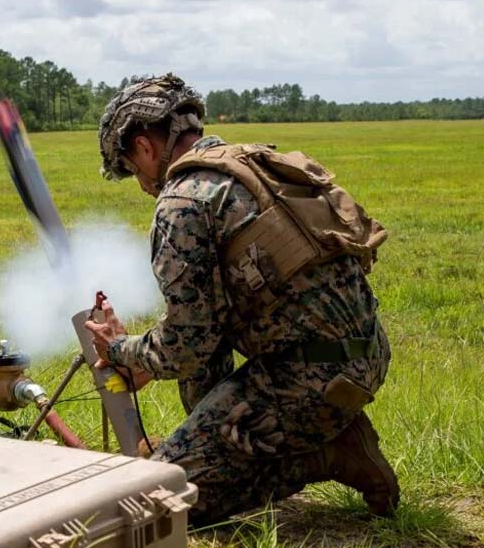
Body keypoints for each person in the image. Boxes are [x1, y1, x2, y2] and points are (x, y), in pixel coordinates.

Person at [85, 73, 399, 526]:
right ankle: (239, 449)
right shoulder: (250, 166)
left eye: (133, 169)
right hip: (362, 358)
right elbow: (203, 327)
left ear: (145, 147)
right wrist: (148, 356)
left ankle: (327, 454)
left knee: (160, 501)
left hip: (310, 380)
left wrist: (120, 350)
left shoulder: (182, 201)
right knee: (198, 391)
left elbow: (187, 346)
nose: (140, 184)